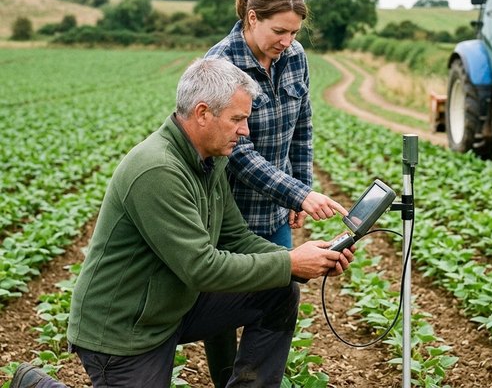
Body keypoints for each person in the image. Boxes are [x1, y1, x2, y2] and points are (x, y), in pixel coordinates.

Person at [8, 58, 354, 388]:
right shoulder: (158, 170)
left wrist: (310, 261)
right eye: (237, 119)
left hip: (172, 305)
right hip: (125, 328)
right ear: (203, 113)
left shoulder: (210, 158)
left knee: (279, 290)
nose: (245, 131)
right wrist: (290, 261)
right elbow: (201, 268)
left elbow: (236, 237)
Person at [203, 0, 346, 386]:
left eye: (294, 32)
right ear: (252, 18)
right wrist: (299, 193)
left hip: (275, 211)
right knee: (223, 308)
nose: (287, 40)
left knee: (279, 297)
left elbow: (302, 126)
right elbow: (236, 154)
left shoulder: (295, 57)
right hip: (229, 212)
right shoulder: (221, 65)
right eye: (278, 31)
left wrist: (298, 191)